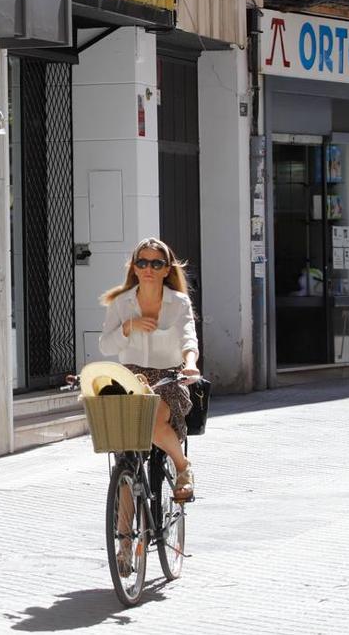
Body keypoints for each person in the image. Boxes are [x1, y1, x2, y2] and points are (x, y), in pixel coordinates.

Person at [98, 238, 200, 573]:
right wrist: (128, 327)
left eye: (157, 263)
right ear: (134, 266)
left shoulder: (178, 302)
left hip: (169, 377)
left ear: (167, 269)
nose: (149, 269)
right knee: (126, 457)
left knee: (154, 421)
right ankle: (125, 545)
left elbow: (188, 337)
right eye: (142, 262)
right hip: (130, 378)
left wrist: (190, 363)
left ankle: (182, 466)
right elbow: (105, 344)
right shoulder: (121, 303)